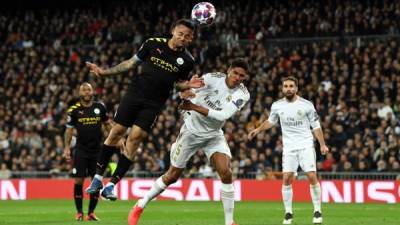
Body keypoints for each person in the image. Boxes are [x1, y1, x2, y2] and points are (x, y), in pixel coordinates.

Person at [85, 19, 204, 200]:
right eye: (180, 33)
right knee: (117, 132)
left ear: (191, 39)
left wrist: (188, 85)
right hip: (134, 94)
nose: (183, 38)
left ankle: (111, 185)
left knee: (135, 138)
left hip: (154, 103)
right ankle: (97, 178)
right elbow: (130, 63)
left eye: (187, 36)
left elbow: (178, 84)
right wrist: (103, 72)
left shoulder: (187, 60)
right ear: (173, 31)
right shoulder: (152, 43)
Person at [128, 58, 250, 225]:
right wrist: (185, 94)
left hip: (213, 135)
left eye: (241, 76)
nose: (237, 77)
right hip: (191, 132)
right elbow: (186, 91)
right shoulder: (212, 78)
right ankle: (140, 205)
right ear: (229, 69)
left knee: (226, 172)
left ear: (245, 77)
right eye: (235, 72)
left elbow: (223, 116)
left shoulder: (243, 94)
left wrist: (193, 106)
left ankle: (229, 222)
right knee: (171, 176)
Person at [248, 76, 329, 224]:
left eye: (291, 86)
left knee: (311, 176)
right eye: (285, 86)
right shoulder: (277, 105)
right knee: (286, 178)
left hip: (305, 145)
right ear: (282, 89)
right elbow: (270, 122)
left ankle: (317, 210)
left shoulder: (307, 105)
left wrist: (322, 144)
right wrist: (258, 130)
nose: (288, 89)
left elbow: (316, 126)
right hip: (289, 148)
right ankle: (288, 213)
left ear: (296, 88)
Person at [63, 83, 116, 221]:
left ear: (92, 92)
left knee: (96, 182)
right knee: (78, 180)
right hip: (81, 150)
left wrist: (116, 137)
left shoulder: (100, 107)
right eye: (84, 90)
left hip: (97, 151)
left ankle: (91, 212)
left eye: (89, 90)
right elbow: (68, 130)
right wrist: (66, 147)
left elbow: (108, 124)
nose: (87, 92)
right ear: (79, 93)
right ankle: (79, 212)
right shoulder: (74, 110)